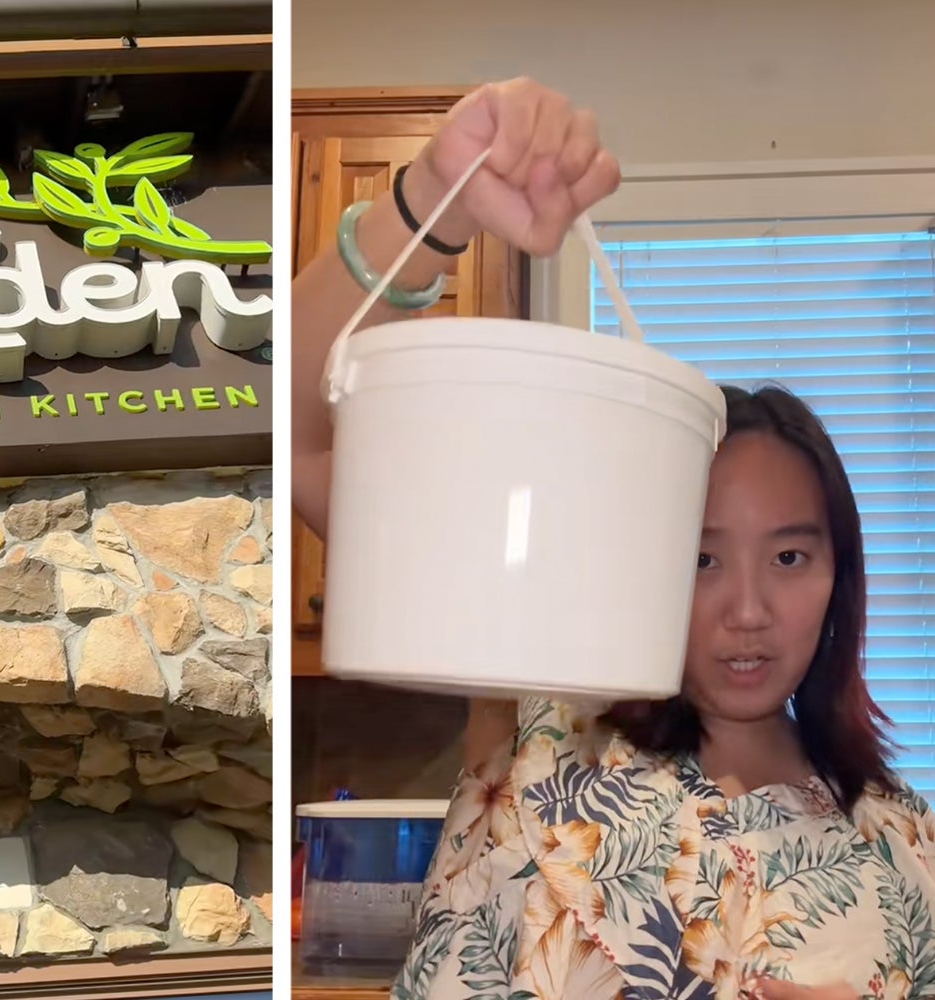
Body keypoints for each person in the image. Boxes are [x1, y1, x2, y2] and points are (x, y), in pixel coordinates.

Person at [293, 78, 935, 1000]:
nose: (747, 610)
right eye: (699, 557)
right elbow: (302, 435)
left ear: (841, 575)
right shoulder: (542, 706)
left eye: (790, 557)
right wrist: (436, 198)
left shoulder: (903, 845)